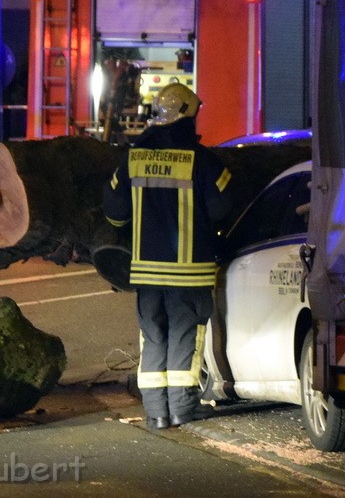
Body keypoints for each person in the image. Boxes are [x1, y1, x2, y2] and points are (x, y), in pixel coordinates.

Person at [102, 83, 232, 432]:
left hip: (147, 272)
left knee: (153, 337)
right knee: (185, 338)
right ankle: (182, 409)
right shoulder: (202, 160)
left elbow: (114, 210)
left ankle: (157, 413)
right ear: (188, 114)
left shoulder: (134, 156)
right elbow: (223, 208)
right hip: (189, 272)